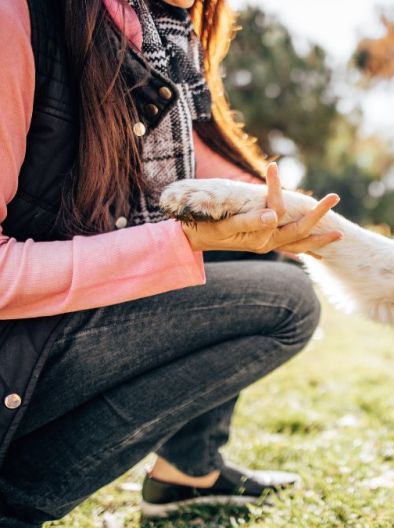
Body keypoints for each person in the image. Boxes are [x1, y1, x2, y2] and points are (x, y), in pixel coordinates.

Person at [0, 0, 343, 525]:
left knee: (255, 241)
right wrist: (179, 245)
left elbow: (194, 168)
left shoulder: (160, 35)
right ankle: (14, 499)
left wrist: (284, 212)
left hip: (40, 332)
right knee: (285, 303)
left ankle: (188, 472)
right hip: (14, 344)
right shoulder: (17, 17)